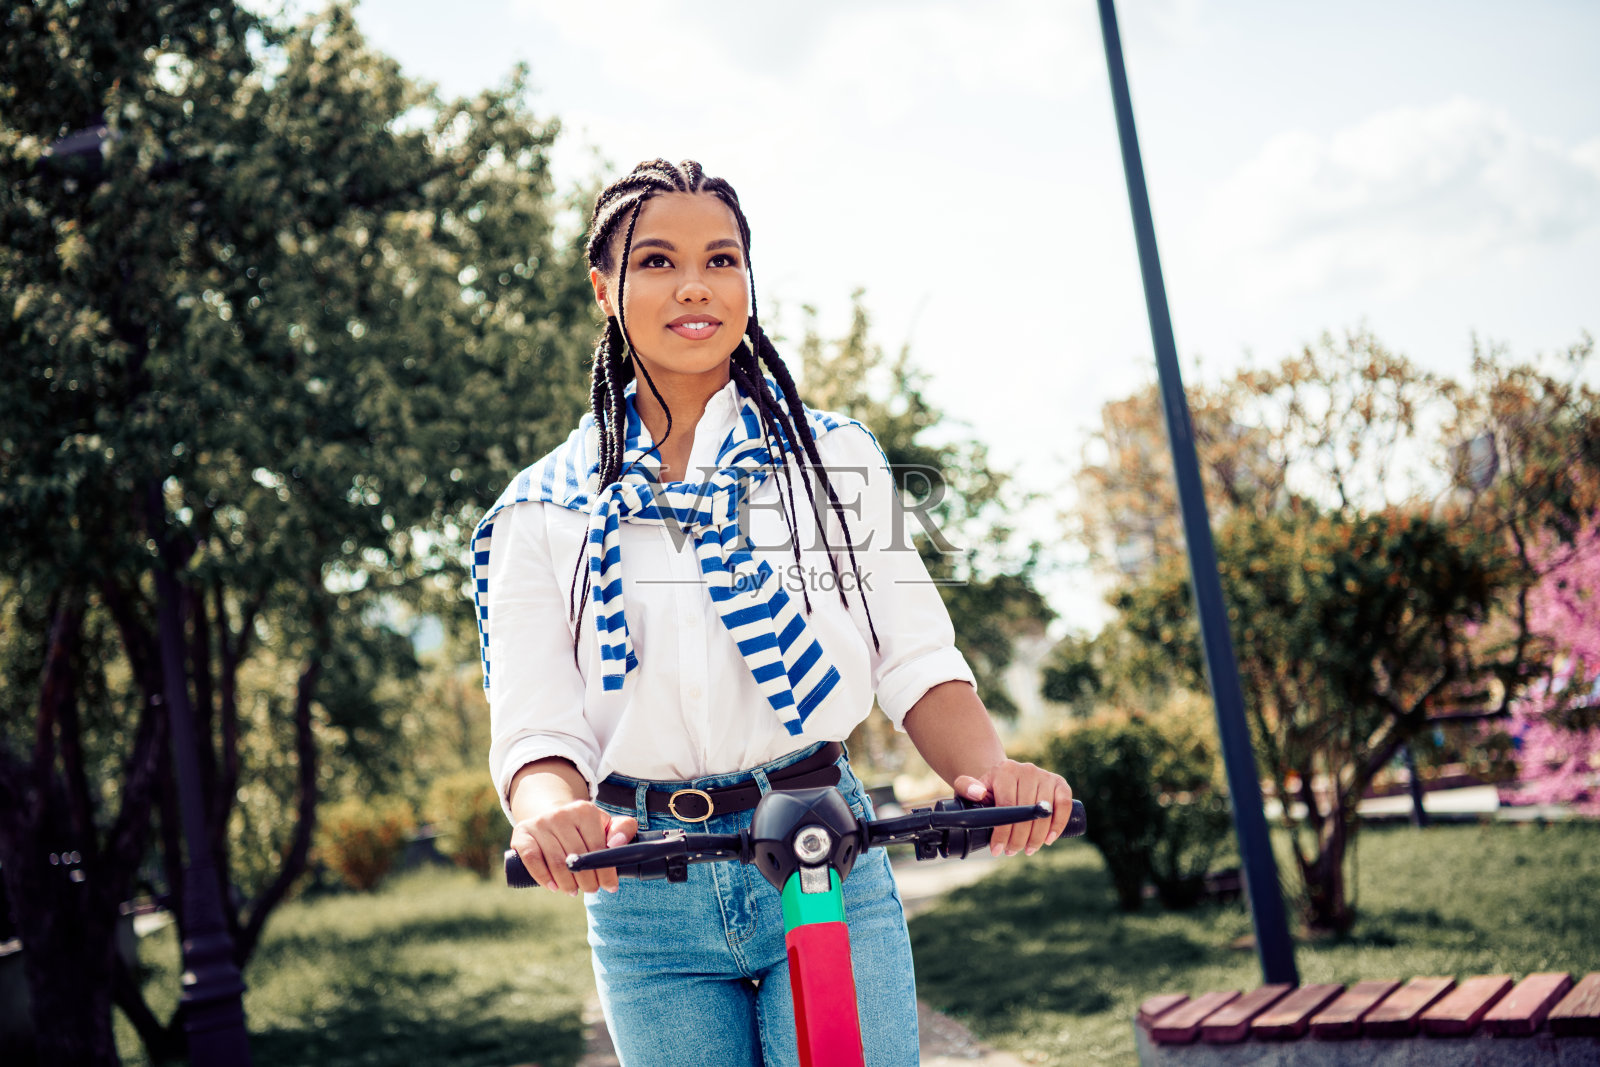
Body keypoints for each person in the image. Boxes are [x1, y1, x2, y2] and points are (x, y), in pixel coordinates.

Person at [474, 158, 1073, 1067]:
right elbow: (536, 729)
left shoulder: (833, 460)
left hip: (823, 846)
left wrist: (990, 771)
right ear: (602, 288)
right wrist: (554, 812)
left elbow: (914, 658)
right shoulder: (537, 511)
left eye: (722, 259)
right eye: (655, 262)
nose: (694, 285)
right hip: (645, 893)